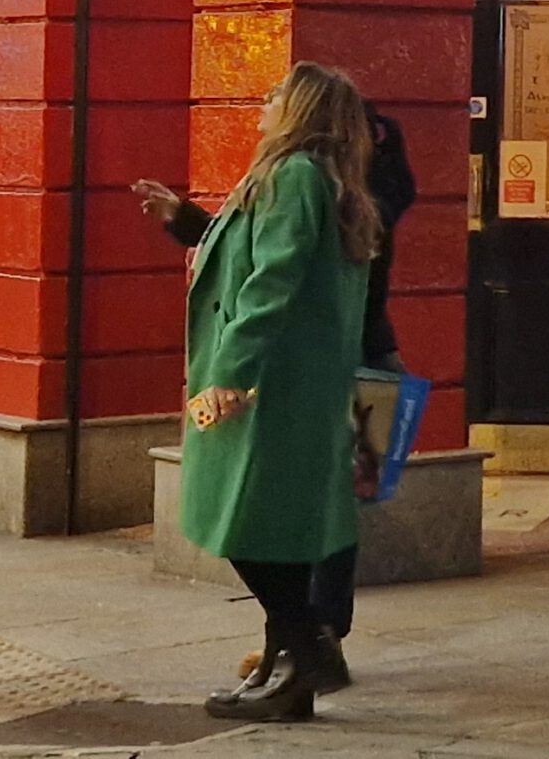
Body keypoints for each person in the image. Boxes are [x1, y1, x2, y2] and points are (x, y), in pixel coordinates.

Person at [138, 102, 415, 672]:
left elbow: (279, 270)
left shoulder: (336, 191)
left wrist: (231, 372)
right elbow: (262, 246)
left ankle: (315, 637)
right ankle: (295, 637)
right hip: (340, 362)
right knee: (310, 506)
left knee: (323, 507)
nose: (266, 108)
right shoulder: (325, 186)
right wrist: (187, 221)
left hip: (349, 364)